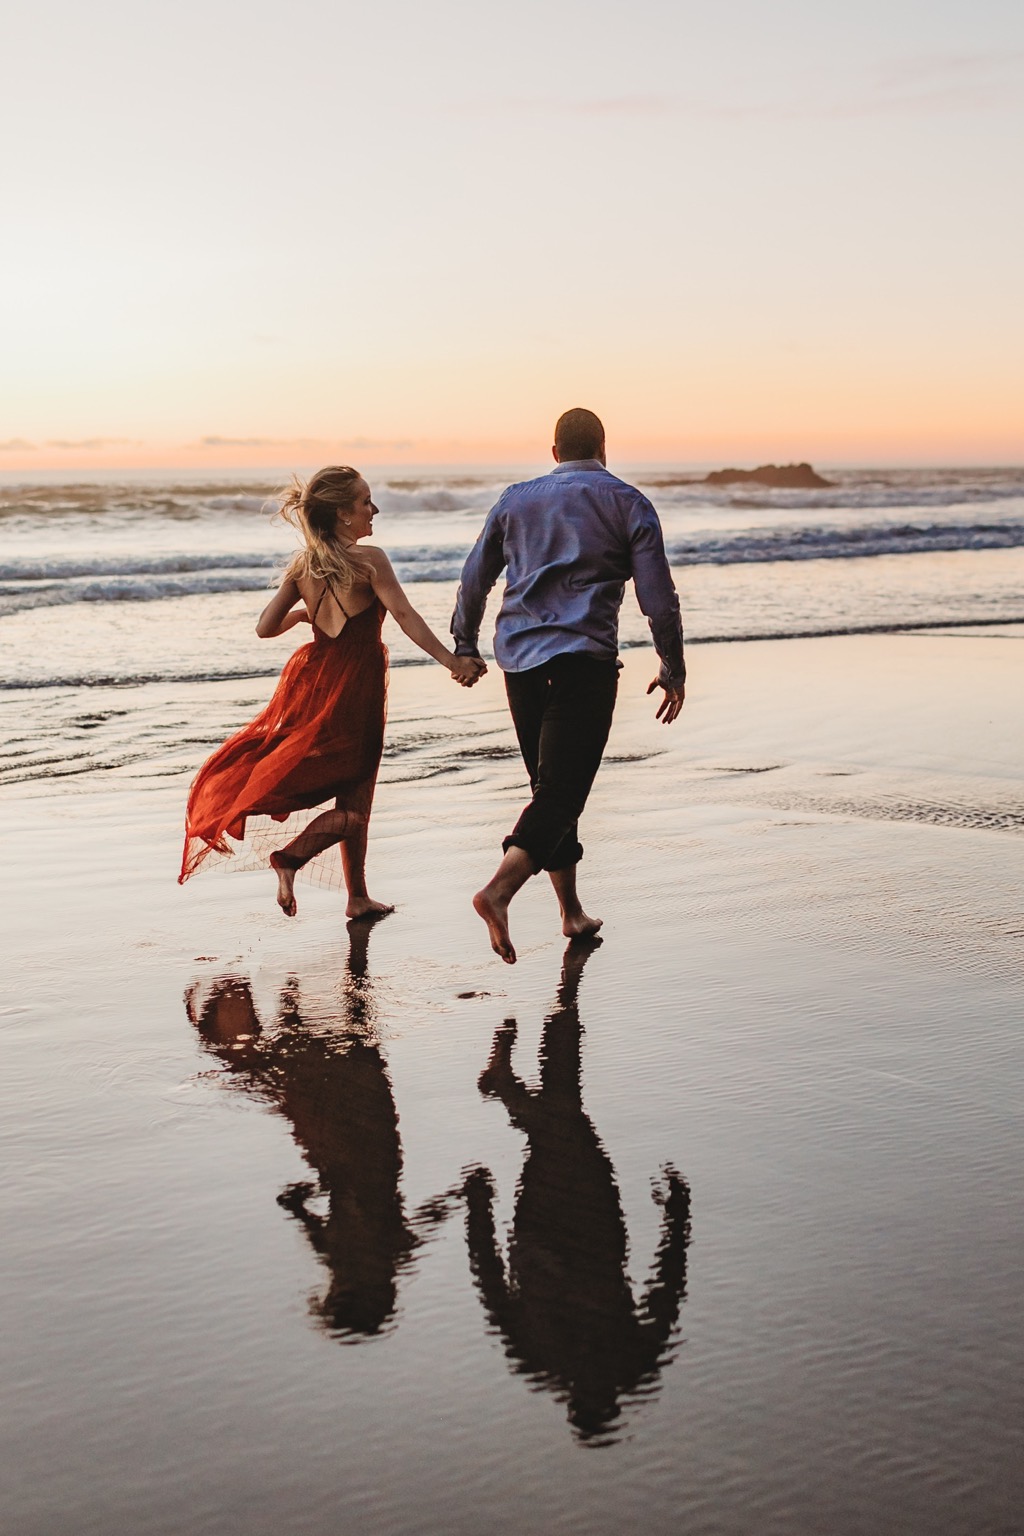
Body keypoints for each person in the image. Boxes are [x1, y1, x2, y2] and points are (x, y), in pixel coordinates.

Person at [180, 465, 485, 916]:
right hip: (356, 686)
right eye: (365, 502)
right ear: (343, 513)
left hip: (316, 683)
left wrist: (304, 617)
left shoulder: (305, 564)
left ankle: (357, 897)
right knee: (356, 802)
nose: (373, 509)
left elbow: (265, 628)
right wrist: (452, 662)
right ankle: (289, 859)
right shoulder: (370, 560)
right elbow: (405, 617)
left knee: (352, 790)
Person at [451, 409, 685, 962]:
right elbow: (658, 595)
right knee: (562, 789)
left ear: (553, 450)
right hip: (583, 660)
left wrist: (464, 642)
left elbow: (474, 576)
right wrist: (671, 664)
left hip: (521, 662)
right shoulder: (627, 502)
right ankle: (499, 890)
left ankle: (570, 912)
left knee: (551, 787)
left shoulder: (515, 499)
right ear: (604, 447)